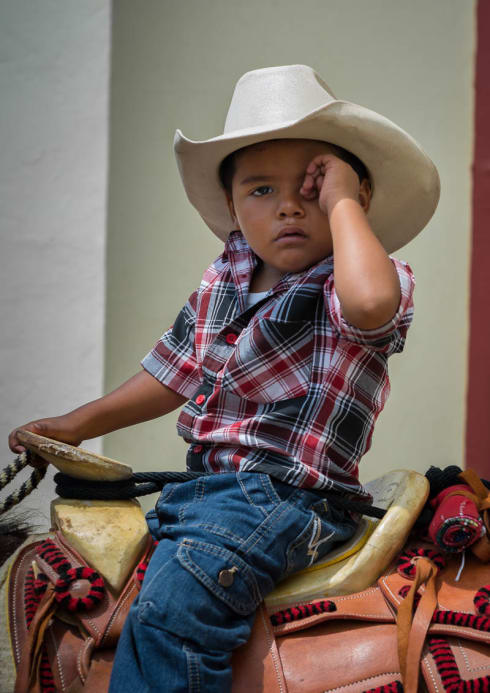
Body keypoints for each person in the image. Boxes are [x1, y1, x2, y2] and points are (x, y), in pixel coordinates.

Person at [8, 65, 440, 692]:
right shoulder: (226, 277)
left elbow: (371, 306)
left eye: (313, 186)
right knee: (118, 583)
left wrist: (343, 200)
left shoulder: (357, 278)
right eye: (262, 191)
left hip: (290, 499)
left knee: (171, 619)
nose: (290, 204)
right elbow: (172, 372)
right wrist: (77, 424)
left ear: (361, 200)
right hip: (206, 491)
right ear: (234, 208)